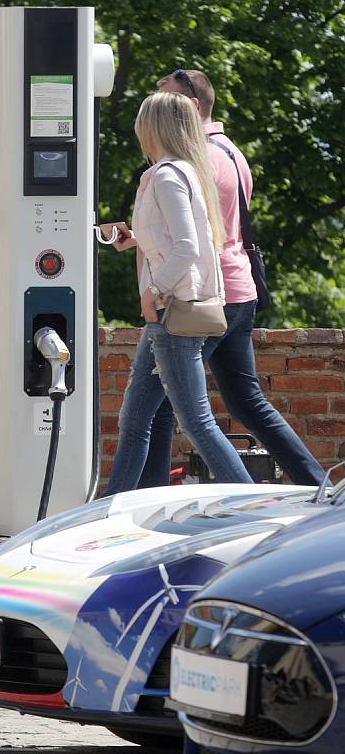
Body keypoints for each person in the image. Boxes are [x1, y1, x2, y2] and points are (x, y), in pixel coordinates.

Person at [124, 69, 325, 488]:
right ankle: (315, 482)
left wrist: (157, 285)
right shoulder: (232, 153)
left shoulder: (193, 162)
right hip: (240, 290)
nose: (160, 104)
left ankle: (150, 497)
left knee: (167, 409)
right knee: (245, 402)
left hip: (200, 295)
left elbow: (192, 240)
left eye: (167, 97)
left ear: (190, 106)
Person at [101, 91, 253, 497]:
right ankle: (110, 511)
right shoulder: (184, 172)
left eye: (141, 123)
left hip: (173, 313)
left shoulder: (168, 176)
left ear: (152, 128)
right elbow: (179, 239)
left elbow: (186, 246)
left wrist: (153, 291)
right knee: (134, 423)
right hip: (165, 317)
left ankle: (255, 507)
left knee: (197, 424)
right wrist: (134, 240)